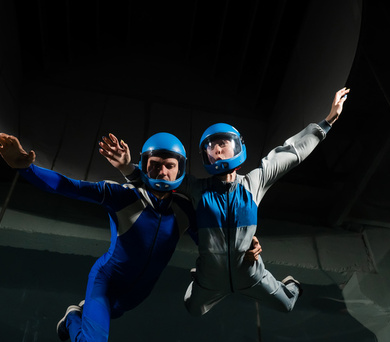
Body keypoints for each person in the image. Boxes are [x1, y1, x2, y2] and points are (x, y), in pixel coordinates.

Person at [103, 87, 349, 316]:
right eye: (211, 147)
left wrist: (326, 123)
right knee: (193, 308)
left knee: (287, 304)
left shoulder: (255, 182)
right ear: (205, 155)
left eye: (223, 144)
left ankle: (290, 284)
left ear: (236, 147)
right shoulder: (197, 188)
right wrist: (128, 167)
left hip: (250, 273)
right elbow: (159, 181)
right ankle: (199, 275)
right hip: (211, 277)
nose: (218, 150)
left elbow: (291, 152)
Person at [0, 132, 197, 342]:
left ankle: (83, 310)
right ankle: (72, 318)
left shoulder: (186, 209)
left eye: (169, 166)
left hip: (137, 294)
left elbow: (211, 241)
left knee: (110, 313)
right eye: (155, 165)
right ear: (145, 166)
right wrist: (25, 168)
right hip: (107, 280)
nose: (163, 172)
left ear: (180, 169)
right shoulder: (121, 196)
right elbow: (68, 186)